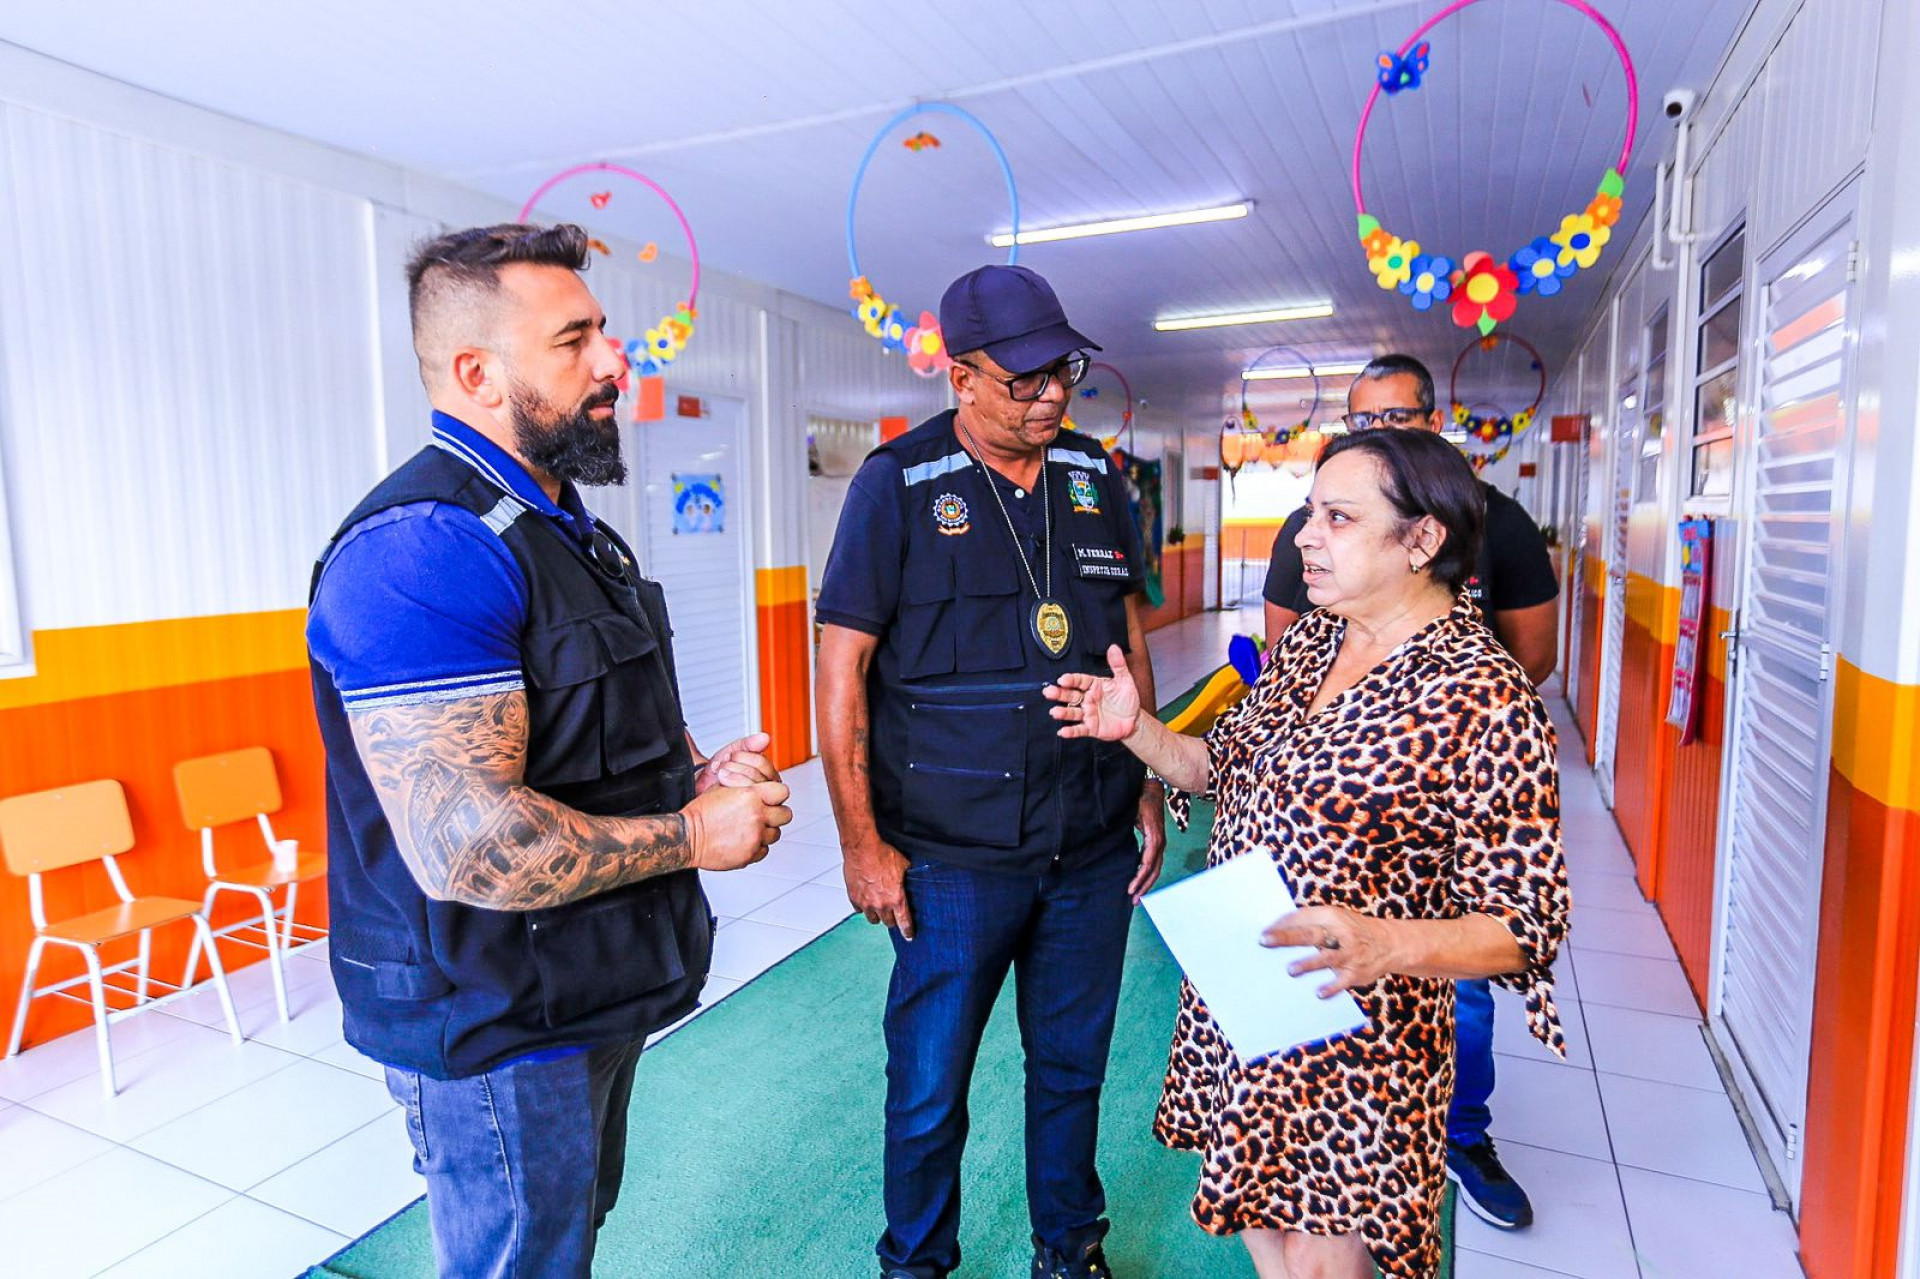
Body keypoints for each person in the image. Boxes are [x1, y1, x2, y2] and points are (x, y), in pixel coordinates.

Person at [306, 223, 792, 1278]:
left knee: (560, 1245)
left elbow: (584, 729)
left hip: (585, 986)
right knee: (519, 1262)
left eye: (604, 332)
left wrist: (696, 777)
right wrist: (693, 832)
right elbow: (466, 846)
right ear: (477, 373)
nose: (618, 360)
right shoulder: (421, 551)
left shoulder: (563, 526)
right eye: (577, 340)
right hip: (495, 1018)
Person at [1047, 428, 1571, 1279]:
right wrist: (1136, 727)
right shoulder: (1313, 643)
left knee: (1326, 1264)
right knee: (1264, 1229)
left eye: (1337, 517)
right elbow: (1220, 766)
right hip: (1254, 991)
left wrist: (1385, 942)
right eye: (1307, 513)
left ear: (1422, 540)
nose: (1304, 537)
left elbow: (1527, 921)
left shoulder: (1484, 694)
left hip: (1358, 1031)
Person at [815, 264, 1165, 1279]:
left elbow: (1124, 633)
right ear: (961, 376)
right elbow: (844, 667)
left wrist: (1143, 777)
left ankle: (1070, 1248)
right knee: (928, 1087)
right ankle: (916, 1265)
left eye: (1062, 371)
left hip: (1089, 842)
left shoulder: (1096, 477)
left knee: (1072, 1068)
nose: (1052, 394)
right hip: (951, 859)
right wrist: (860, 841)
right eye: (1023, 379)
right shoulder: (897, 484)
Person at [1261, 353, 1559, 1230]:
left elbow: (1530, 654)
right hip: (1334, 816)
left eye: (1396, 417)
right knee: (1321, 991)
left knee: (1454, 989)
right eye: (1359, 422)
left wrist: (1439, 733)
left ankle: (1460, 1137)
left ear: (1434, 419)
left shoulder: (1492, 521)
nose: (1378, 434)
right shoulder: (1314, 528)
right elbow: (1290, 667)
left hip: (1434, 812)